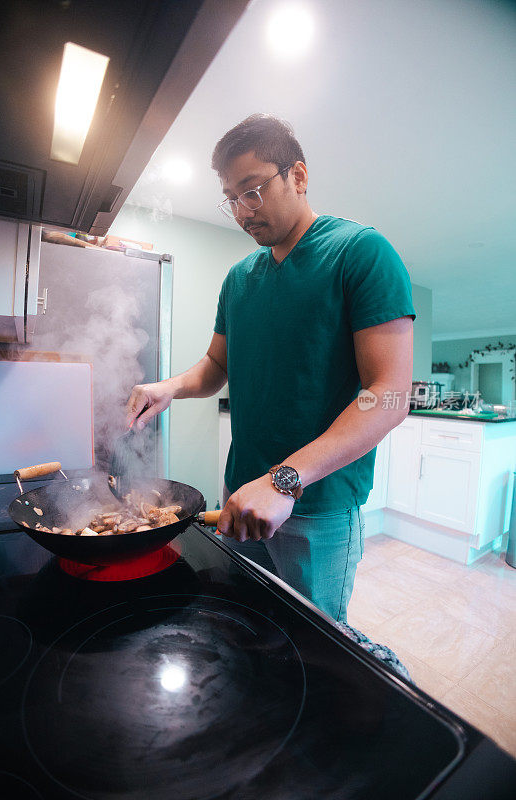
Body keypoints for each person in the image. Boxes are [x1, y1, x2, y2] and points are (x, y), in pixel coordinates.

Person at [126, 114, 415, 623]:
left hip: (316, 506)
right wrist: (168, 386)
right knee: (245, 627)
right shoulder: (239, 279)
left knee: (313, 646)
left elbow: (389, 394)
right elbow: (216, 366)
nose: (241, 211)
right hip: (241, 494)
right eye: (230, 198)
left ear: (298, 177)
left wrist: (284, 481)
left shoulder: (361, 252)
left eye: (252, 190)